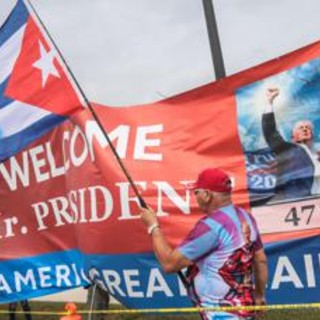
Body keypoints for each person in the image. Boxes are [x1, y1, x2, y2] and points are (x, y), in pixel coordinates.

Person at [140, 168, 268, 320]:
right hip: (247, 312)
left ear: (207, 195)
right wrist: (259, 296)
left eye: (197, 192)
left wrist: (153, 226)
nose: (196, 197)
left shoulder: (211, 226)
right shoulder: (246, 218)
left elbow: (169, 264)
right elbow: (260, 260)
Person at [262, 87, 320, 200]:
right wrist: (269, 102)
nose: (305, 129)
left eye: (308, 128)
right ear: (293, 137)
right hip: (296, 202)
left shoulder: (317, 153)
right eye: (301, 128)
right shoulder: (288, 150)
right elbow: (270, 133)